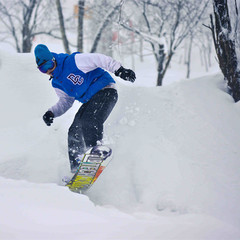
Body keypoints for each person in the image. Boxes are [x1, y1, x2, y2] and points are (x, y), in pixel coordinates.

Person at [34, 44, 136, 173]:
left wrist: (119, 70)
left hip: (106, 90)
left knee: (88, 120)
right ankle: (77, 169)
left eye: (48, 65)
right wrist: (52, 112)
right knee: (73, 131)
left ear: (53, 59)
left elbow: (99, 59)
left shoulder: (73, 61)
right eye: (43, 69)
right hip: (90, 101)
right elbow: (66, 101)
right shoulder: (56, 82)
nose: (48, 71)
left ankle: (96, 153)